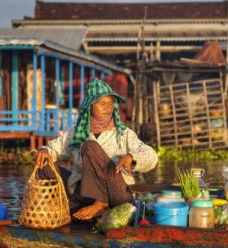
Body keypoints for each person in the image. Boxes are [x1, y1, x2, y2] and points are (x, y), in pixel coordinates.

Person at [34, 78, 158, 221]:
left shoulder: (123, 134)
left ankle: (101, 205)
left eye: (111, 103)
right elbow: (54, 149)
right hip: (85, 194)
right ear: (91, 106)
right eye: (102, 104)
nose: (108, 108)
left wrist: (131, 158)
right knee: (43, 165)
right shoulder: (76, 132)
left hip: (116, 193)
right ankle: (78, 207)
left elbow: (151, 156)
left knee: (89, 146)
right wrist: (44, 151)